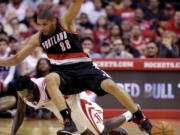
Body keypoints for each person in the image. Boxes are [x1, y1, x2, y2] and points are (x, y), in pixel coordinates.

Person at [0, 1, 152, 135]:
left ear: (53, 20)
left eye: (45, 24)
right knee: (50, 78)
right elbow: (16, 59)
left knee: (112, 86)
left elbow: (77, 3)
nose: (42, 28)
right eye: (39, 24)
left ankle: (139, 116)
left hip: (85, 69)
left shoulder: (65, 22)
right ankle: (68, 122)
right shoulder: (38, 37)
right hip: (65, 75)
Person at [10, 75, 131, 135]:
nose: (26, 98)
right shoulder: (22, 93)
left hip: (74, 99)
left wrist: (69, 126)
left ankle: (130, 114)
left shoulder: (46, 86)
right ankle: (118, 132)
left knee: (100, 131)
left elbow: (65, 102)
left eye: (27, 95)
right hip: (59, 107)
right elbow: (20, 113)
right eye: (22, 95)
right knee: (87, 134)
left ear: (32, 88)